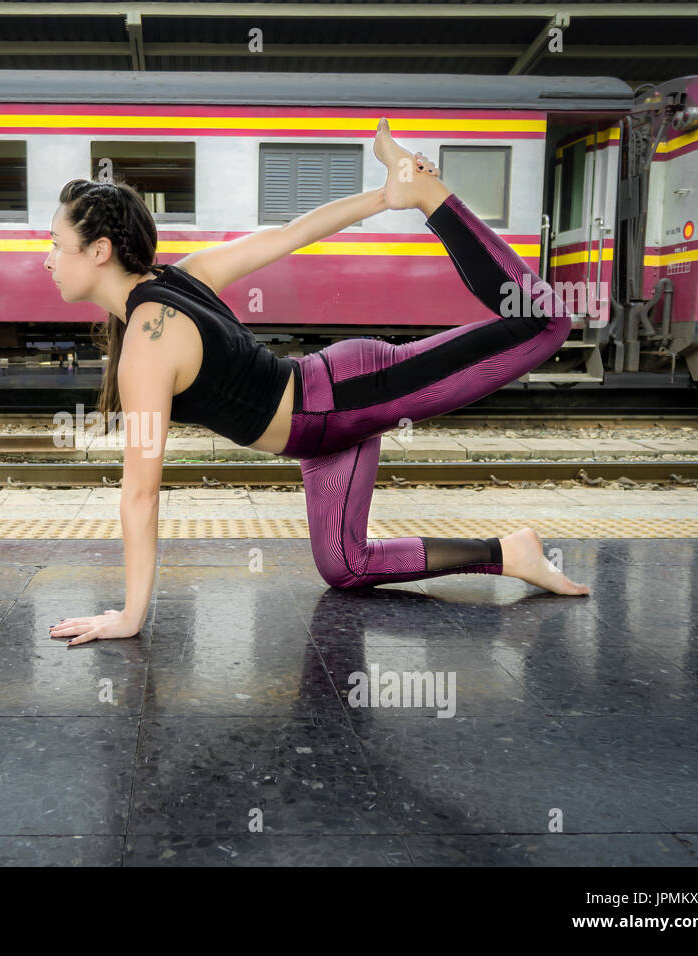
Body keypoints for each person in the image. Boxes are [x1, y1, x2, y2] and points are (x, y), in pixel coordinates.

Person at [48, 117, 590, 647]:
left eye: (55, 243)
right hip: (323, 434)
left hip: (351, 392)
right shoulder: (177, 280)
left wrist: (131, 614)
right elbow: (291, 235)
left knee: (544, 321)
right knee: (346, 566)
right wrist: (381, 198)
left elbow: (140, 494)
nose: (47, 259)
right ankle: (511, 553)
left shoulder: (148, 342)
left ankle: (432, 197)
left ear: (99, 251)